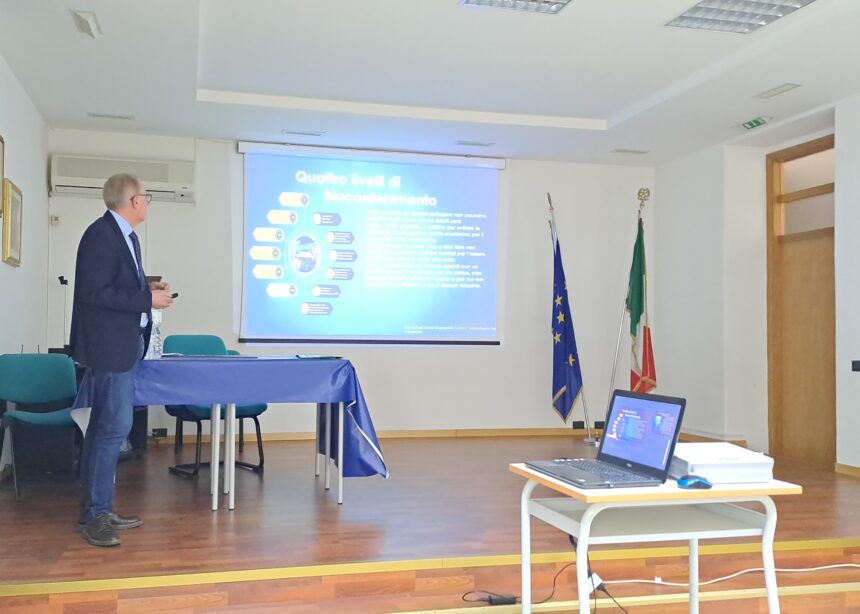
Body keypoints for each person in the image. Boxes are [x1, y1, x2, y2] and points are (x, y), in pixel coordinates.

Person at [69, 173, 174, 547]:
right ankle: (96, 515)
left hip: (122, 346)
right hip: (109, 349)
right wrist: (147, 301)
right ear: (133, 201)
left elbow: (115, 285)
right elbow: (94, 293)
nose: (147, 203)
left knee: (105, 429)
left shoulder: (125, 237)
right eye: (146, 197)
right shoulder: (101, 235)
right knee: (113, 429)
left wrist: (147, 288)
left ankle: (98, 508)